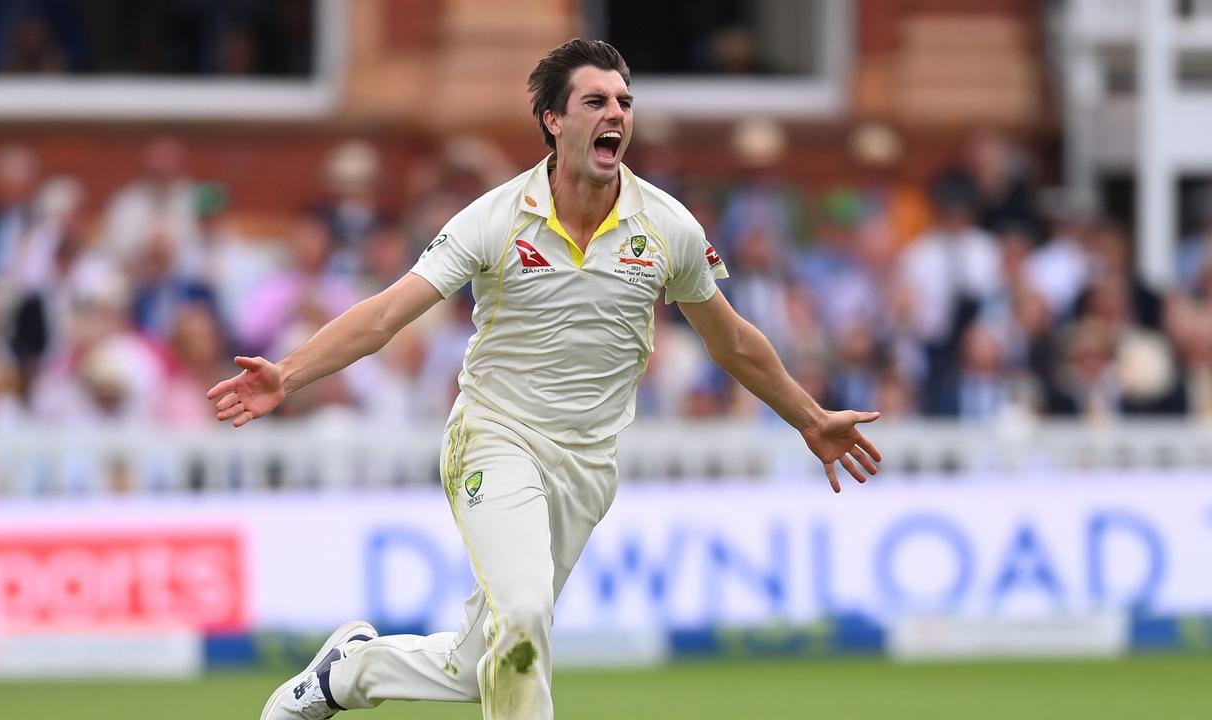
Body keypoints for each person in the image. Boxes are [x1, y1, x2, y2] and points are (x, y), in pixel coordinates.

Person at [207, 39, 881, 720]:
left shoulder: (667, 226)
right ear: (554, 121)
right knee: (524, 618)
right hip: (494, 438)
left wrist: (809, 417)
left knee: (484, 661)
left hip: (587, 465)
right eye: (595, 101)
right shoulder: (496, 217)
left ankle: (341, 678)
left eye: (624, 102)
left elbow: (731, 341)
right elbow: (386, 314)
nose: (615, 112)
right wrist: (287, 375)